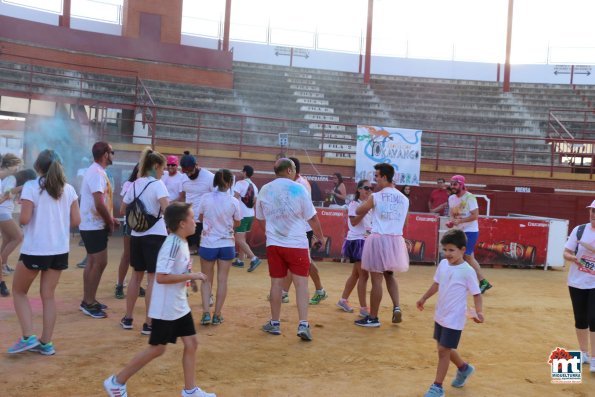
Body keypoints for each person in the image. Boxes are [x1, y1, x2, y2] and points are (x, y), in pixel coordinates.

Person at [104, 202, 215, 397]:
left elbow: (178, 268)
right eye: (191, 218)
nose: (195, 221)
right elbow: (161, 277)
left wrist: (191, 278)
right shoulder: (172, 244)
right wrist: (192, 276)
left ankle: (190, 391)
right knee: (157, 349)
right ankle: (117, 381)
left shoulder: (181, 241)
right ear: (182, 223)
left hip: (178, 305)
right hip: (166, 308)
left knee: (191, 343)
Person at [7, 149, 80, 355]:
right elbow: (76, 221)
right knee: (48, 296)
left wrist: (24, 205)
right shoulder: (69, 189)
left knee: (19, 291)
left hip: (36, 248)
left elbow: (24, 220)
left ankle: (28, 336)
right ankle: (46, 343)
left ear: (38, 167)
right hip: (59, 249)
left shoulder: (31, 187)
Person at [256, 158, 326, 341]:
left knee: (276, 284)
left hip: (274, 243)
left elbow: (260, 217)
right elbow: (312, 218)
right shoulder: (299, 188)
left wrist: (270, 232)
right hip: (296, 243)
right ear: (288, 170)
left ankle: (275, 322)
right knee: (301, 284)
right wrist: (320, 237)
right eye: (294, 169)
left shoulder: (265, 189)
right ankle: (303, 324)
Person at [417, 229, 484, 397]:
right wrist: (424, 298)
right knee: (443, 347)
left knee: (443, 351)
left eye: (451, 250)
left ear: (463, 250)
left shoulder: (467, 271)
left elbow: (476, 293)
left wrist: (479, 312)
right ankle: (464, 368)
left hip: (455, 318)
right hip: (441, 314)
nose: (447, 254)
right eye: (445, 250)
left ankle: (437, 387)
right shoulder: (443, 265)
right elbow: (436, 284)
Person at [120, 148, 169, 335]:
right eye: (162, 168)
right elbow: (167, 210)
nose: (163, 172)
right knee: (152, 279)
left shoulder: (134, 184)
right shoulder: (158, 185)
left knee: (135, 277)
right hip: (155, 236)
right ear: (156, 166)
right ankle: (149, 323)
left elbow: (123, 209)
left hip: (137, 235)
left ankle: (128, 317)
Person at [354, 163, 409, 327]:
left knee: (376, 280)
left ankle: (373, 317)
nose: (375, 180)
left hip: (378, 238)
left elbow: (358, 211)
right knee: (390, 275)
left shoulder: (376, 196)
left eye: (377, 176)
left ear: (384, 177)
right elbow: (404, 223)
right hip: (395, 239)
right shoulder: (404, 199)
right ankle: (397, 307)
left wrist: (368, 197)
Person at [79, 141, 118, 319]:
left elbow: (100, 203)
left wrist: (109, 218)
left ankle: (89, 300)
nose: (113, 155)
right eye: (112, 152)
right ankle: (89, 302)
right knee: (99, 262)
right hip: (94, 224)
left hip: (91, 223)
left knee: (93, 262)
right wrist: (109, 221)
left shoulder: (96, 171)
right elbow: (98, 203)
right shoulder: (96, 173)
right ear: (105, 155)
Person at [197, 169, 241, 326]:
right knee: (223, 280)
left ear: (215, 182)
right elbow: (237, 222)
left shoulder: (206, 198)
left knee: (206, 280)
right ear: (229, 183)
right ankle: (217, 315)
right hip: (227, 243)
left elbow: (201, 217)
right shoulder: (233, 201)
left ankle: (205, 314)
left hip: (208, 243)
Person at [282, 156, 328, 305]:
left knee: (297, 260)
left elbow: (301, 209)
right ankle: (319, 290)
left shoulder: (300, 184)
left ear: (291, 170)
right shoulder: (296, 183)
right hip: (298, 227)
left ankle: (284, 293)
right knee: (303, 260)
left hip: (301, 228)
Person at [563, 200, 595, 371]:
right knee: (580, 319)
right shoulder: (579, 230)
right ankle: (584, 353)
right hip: (576, 281)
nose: (593, 215)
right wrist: (571, 257)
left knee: (594, 318)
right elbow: (566, 251)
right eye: (592, 211)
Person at [447, 175, 493, 294]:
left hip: (470, 231)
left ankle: (472, 281)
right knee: (468, 257)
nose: (452, 186)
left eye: (455, 184)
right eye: (451, 184)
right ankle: (482, 282)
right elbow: (452, 213)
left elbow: (475, 216)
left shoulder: (470, 197)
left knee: (465, 256)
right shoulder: (451, 198)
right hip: (460, 231)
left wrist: (460, 221)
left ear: (462, 185)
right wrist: (451, 222)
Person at [336, 179, 372, 317]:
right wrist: (365, 209)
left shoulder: (369, 204)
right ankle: (363, 308)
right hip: (357, 241)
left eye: (370, 188)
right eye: (366, 188)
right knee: (363, 275)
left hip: (365, 240)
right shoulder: (354, 204)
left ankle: (343, 300)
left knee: (356, 274)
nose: (368, 190)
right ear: (359, 189)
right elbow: (354, 222)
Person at [114, 164, 145, 300]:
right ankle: (120, 285)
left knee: (139, 256)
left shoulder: (149, 184)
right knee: (127, 255)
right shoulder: (129, 184)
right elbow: (123, 207)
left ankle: (136, 284)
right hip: (132, 224)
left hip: (143, 225)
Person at [178, 151, 215, 255]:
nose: (189, 174)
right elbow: (183, 197)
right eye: (186, 172)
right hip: (188, 219)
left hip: (204, 220)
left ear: (196, 166)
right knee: (188, 252)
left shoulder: (210, 177)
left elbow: (216, 198)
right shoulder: (183, 177)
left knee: (202, 252)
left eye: (190, 171)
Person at [231, 165, 261, 272]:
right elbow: (254, 202)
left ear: (244, 173)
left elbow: (234, 198)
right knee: (242, 238)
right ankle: (240, 260)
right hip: (250, 215)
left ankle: (254, 258)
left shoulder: (240, 184)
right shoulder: (255, 186)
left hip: (242, 215)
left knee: (238, 239)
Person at [0, 153, 23, 276]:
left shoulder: (7, 177)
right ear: (10, 165)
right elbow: (8, 192)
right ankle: (1, 264)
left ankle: (3, 266)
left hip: (3, 211)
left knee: (7, 239)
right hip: (3, 212)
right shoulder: (10, 178)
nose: (17, 170)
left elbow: (7, 192)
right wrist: (23, 187)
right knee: (18, 237)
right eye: (16, 166)